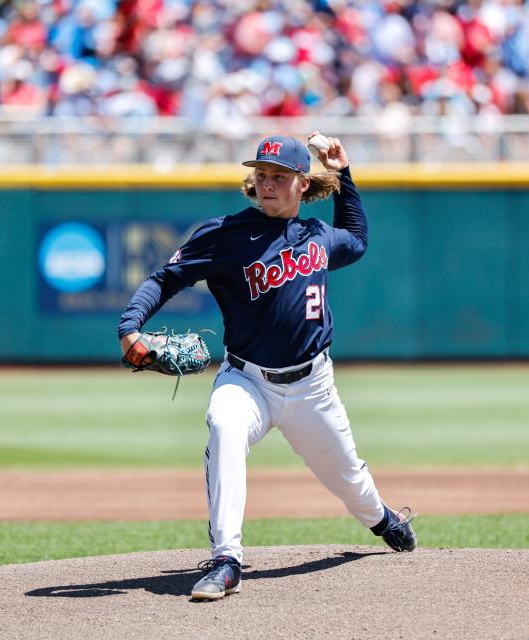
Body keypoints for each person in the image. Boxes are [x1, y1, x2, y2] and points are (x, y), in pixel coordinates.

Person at [118, 133, 416, 601]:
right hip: (247, 379)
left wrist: (344, 174)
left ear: (302, 184)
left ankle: (382, 518)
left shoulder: (317, 235)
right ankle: (226, 560)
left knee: (349, 480)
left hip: (313, 388)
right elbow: (165, 279)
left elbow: (356, 241)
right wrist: (130, 325)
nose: (268, 184)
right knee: (224, 427)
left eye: (279, 177)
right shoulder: (225, 235)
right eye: (261, 175)